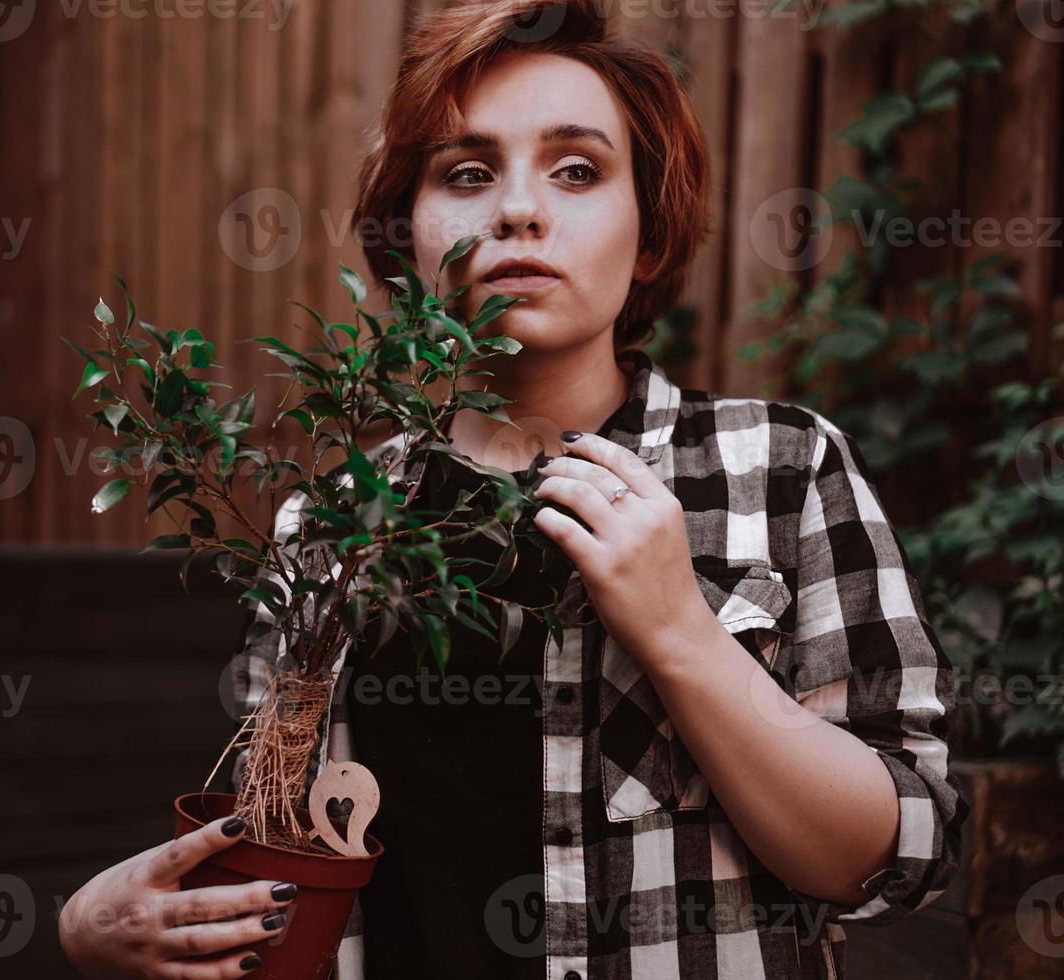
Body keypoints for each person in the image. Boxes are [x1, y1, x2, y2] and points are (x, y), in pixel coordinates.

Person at [58, 1, 969, 977]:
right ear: (406, 239)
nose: (521, 209)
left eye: (577, 168)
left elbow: (901, 851)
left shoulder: (781, 470)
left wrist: (681, 633)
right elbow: (278, 861)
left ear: (650, 235)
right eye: (467, 172)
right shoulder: (324, 528)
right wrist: (99, 925)